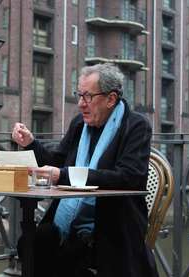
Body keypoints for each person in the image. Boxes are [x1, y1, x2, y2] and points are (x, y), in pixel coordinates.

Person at [12, 63, 158, 277]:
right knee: (31, 242)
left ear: (111, 99)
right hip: (68, 221)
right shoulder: (80, 123)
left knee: (72, 256)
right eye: (79, 95)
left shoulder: (136, 126)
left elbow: (128, 177)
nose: (81, 104)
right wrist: (31, 143)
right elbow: (57, 161)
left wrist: (65, 175)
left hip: (114, 223)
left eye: (88, 97)